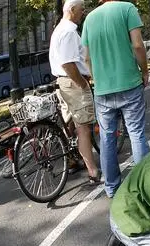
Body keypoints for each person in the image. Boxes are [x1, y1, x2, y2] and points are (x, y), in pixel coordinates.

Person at [81, 0, 150, 198]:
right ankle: (144, 184)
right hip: (129, 83)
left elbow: (86, 57)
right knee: (136, 133)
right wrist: (144, 71)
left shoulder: (89, 19)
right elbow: (137, 45)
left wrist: (96, 77)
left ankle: (112, 188)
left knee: (107, 138)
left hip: (103, 90)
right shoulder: (127, 9)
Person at [49, 0, 101, 184]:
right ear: (72, 10)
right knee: (84, 128)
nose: (83, 11)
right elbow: (68, 63)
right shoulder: (69, 32)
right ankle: (92, 171)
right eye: (81, 9)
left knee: (70, 123)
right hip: (74, 83)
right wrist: (82, 83)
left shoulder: (59, 29)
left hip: (63, 83)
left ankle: (72, 160)